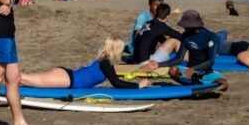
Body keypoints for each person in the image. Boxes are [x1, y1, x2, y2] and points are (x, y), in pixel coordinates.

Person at [15, 36, 149, 89]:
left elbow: (116, 78)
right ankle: (2, 78)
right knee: (23, 79)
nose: (122, 51)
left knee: (24, 79)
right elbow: (116, 83)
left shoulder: (105, 61)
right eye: (121, 49)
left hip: (66, 76)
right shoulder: (104, 62)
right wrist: (138, 85)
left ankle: (4, 79)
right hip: (67, 80)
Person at [153, 10, 226, 87]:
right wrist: (158, 64)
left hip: (205, 72)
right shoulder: (185, 36)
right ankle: (193, 82)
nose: (184, 28)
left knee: (223, 83)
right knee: (172, 70)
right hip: (189, 71)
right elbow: (179, 59)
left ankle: (200, 82)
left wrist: (194, 69)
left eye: (186, 26)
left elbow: (211, 61)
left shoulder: (210, 36)